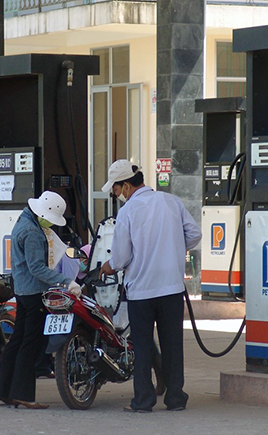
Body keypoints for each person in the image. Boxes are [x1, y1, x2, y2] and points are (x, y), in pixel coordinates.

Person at [99, 160, 201, 413]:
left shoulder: (128, 212)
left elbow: (121, 257)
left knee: (142, 346)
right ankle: (175, 398)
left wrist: (107, 267)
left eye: (115, 189)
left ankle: (143, 401)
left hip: (142, 291)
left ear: (124, 186)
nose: (115, 194)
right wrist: (174, 249)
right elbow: (195, 234)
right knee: (172, 344)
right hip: (171, 289)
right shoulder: (171, 201)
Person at [0, 191, 81, 409]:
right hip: (33, 294)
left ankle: (3, 390)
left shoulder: (23, 221)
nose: (50, 224)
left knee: (17, 341)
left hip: (22, 291)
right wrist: (66, 282)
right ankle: (23, 395)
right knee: (30, 345)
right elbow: (37, 268)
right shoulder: (32, 232)